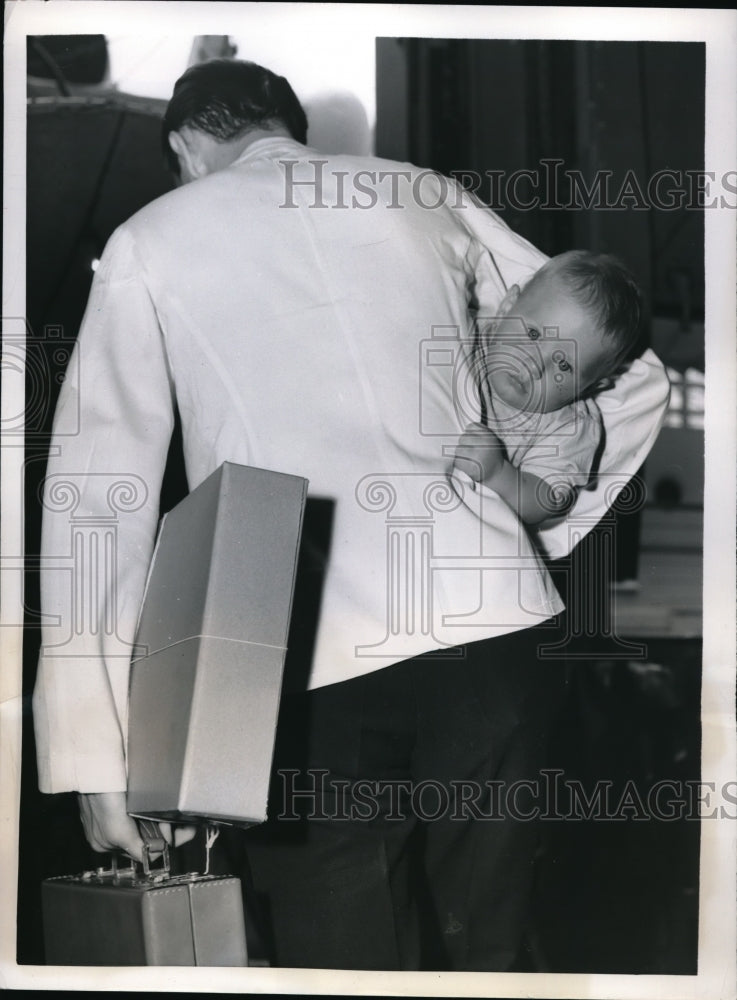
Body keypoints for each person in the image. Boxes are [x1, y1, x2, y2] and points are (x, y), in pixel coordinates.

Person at [33, 59, 669, 970]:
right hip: (494, 638)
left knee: (341, 965)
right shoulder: (416, 191)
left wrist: (96, 755)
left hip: (301, 668)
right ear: (293, 127)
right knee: (489, 951)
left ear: (184, 147)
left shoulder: (147, 241)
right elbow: (628, 369)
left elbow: (101, 501)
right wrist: (532, 522)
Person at [453, 250, 642, 527]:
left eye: (564, 365)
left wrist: (499, 474)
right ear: (507, 308)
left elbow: (546, 502)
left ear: (591, 386)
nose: (534, 364)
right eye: (533, 334)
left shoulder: (568, 427)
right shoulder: (467, 332)